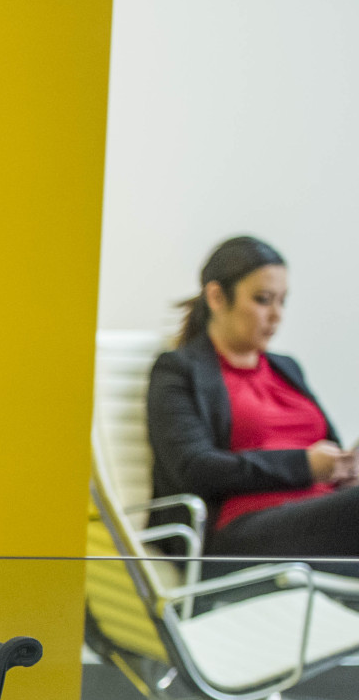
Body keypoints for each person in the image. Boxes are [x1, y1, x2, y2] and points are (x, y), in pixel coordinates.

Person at [147, 235, 359, 566]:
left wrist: (346, 467)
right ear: (217, 297)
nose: (276, 316)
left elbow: (326, 451)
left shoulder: (286, 367)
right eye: (263, 300)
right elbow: (195, 468)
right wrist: (303, 466)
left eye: (282, 302)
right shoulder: (178, 371)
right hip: (241, 529)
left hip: (321, 513)